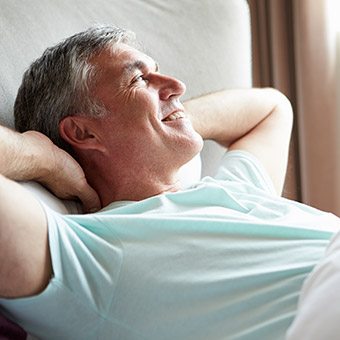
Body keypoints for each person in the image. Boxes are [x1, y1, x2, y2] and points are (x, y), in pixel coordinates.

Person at [0, 25, 339, 339]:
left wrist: (174, 119)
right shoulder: (90, 257)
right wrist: (45, 159)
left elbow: (271, 107)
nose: (177, 85)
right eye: (139, 79)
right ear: (82, 132)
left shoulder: (235, 189)